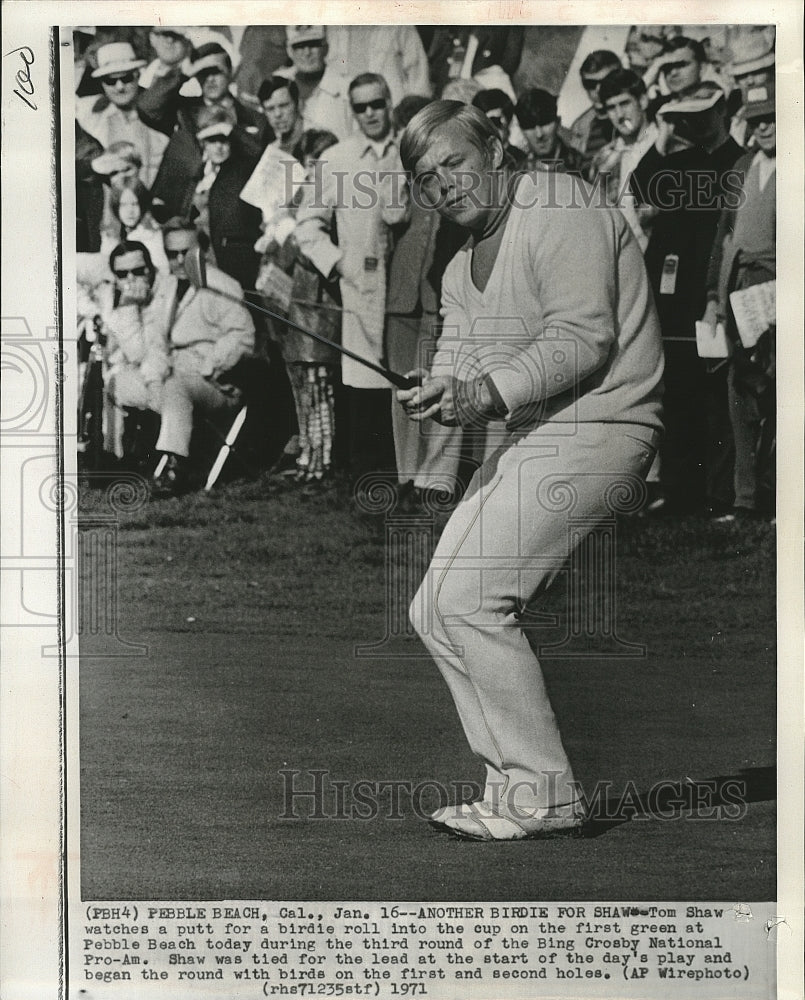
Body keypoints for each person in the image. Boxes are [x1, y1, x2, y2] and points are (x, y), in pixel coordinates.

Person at [396, 101, 663, 840]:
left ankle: (546, 793)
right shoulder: (457, 265)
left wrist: (480, 392)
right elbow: (459, 356)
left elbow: (582, 336)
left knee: (474, 601)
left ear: (495, 145)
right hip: (536, 436)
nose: (443, 185)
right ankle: (510, 786)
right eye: (426, 178)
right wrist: (439, 390)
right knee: (433, 610)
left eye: (453, 163)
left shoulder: (560, 203)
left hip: (602, 427)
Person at [631, 80, 743, 517]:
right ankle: (680, 489)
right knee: (676, 391)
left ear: (723, 113)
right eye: (687, 116)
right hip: (673, 295)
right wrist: (662, 132)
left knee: (715, 393)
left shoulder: (739, 162)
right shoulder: (680, 162)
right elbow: (639, 186)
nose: (694, 125)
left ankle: (716, 493)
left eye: (702, 115)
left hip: (713, 291)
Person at [293, 73, 409, 487]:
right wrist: (341, 264)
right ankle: (369, 483)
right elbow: (306, 227)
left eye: (377, 104)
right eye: (360, 107)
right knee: (367, 380)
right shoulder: (337, 161)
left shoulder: (411, 150)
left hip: (412, 286)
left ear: (389, 102)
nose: (370, 114)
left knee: (411, 379)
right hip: (363, 289)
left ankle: (413, 478)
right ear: (351, 110)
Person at [704, 85, 776, 520]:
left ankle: (775, 495)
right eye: (756, 119)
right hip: (740, 290)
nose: (764, 125)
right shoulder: (742, 165)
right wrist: (713, 296)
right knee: (740, 390)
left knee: (778, 390)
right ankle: (745, 498)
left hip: (779, 289)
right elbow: (723, 237)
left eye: (772, 116)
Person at [151, 219, 256, 498]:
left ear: (204, 250)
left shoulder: (221, 286)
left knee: (175, 387)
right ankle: (113, 462)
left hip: (215, 383)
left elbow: (243, 337)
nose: (177, 260)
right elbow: (155, 337)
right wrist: (152, 374)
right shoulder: (168, 285)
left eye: (185, 252)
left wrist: (210, 366)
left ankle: (174, 468)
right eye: (170, 253)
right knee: (120, 382)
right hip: (173, 374)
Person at [140, 41, 269, 220]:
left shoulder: (254, 119)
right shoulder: (182, 111)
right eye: (203, 73)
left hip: (230, 215)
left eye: (216, 72)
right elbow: (147, 107)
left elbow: (260, 155)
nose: (210, 80)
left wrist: (233, 132)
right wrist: (183, 74)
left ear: (230, 73)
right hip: (178, 212)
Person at [97, 241, 173, 464]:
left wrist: (129, 307)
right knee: (111, 383)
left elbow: (140, 353)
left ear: (150, 268)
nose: (130, 279)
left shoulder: (168, 291)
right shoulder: (118, 297)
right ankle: (114, 457)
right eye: (122, 274)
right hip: (147, 373)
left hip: (172, 376)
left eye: (138, 271)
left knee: (116, 382)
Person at [75, 41, 169, 186]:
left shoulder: (160, 112)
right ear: (101, 83)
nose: (120, 87)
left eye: (126, 78)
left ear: (138, 75)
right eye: (110, 81)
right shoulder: (87, 112)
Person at [191, 108, 262, 291]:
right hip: (204, 254)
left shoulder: (241, 169)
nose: (219, 147)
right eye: (212, 140)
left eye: (224, 140)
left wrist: (231, 128)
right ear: (203, 144)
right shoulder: (198, 174)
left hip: (236, 257)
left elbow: (257, 152)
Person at [591, 68, 658, 250]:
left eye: (625, 103)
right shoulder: (604, 158)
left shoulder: (664, 146)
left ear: (642, 101)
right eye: (611, 108)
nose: (619, 115)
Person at [274, 26, 354, 139]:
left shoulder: (346, 88)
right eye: (299, 46)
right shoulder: (277, 83)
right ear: (290, 51)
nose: (307, 53)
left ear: (325, 48)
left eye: (313, 44)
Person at [325, 26, 431, 107]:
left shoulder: (399, 24)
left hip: (392, 111)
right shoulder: (334, 25)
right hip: (344, 111)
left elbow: (420, 77)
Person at [568, 49, 622, 166]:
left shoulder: (633, 116)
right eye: (590, 84)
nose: (598, 90)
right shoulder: (580, 127)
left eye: (606, 82)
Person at [514, 88, 584, 174]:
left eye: (544, 123)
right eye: (530, 126)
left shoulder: (581, 164)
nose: (539, 134)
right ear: (521, 129)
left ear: (558, 122)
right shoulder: (518, 173)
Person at [471, 89, 527, 169]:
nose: (490, 128)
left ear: (506, 121)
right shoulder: (476, 160)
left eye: (495, 121)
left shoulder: (520, 160)